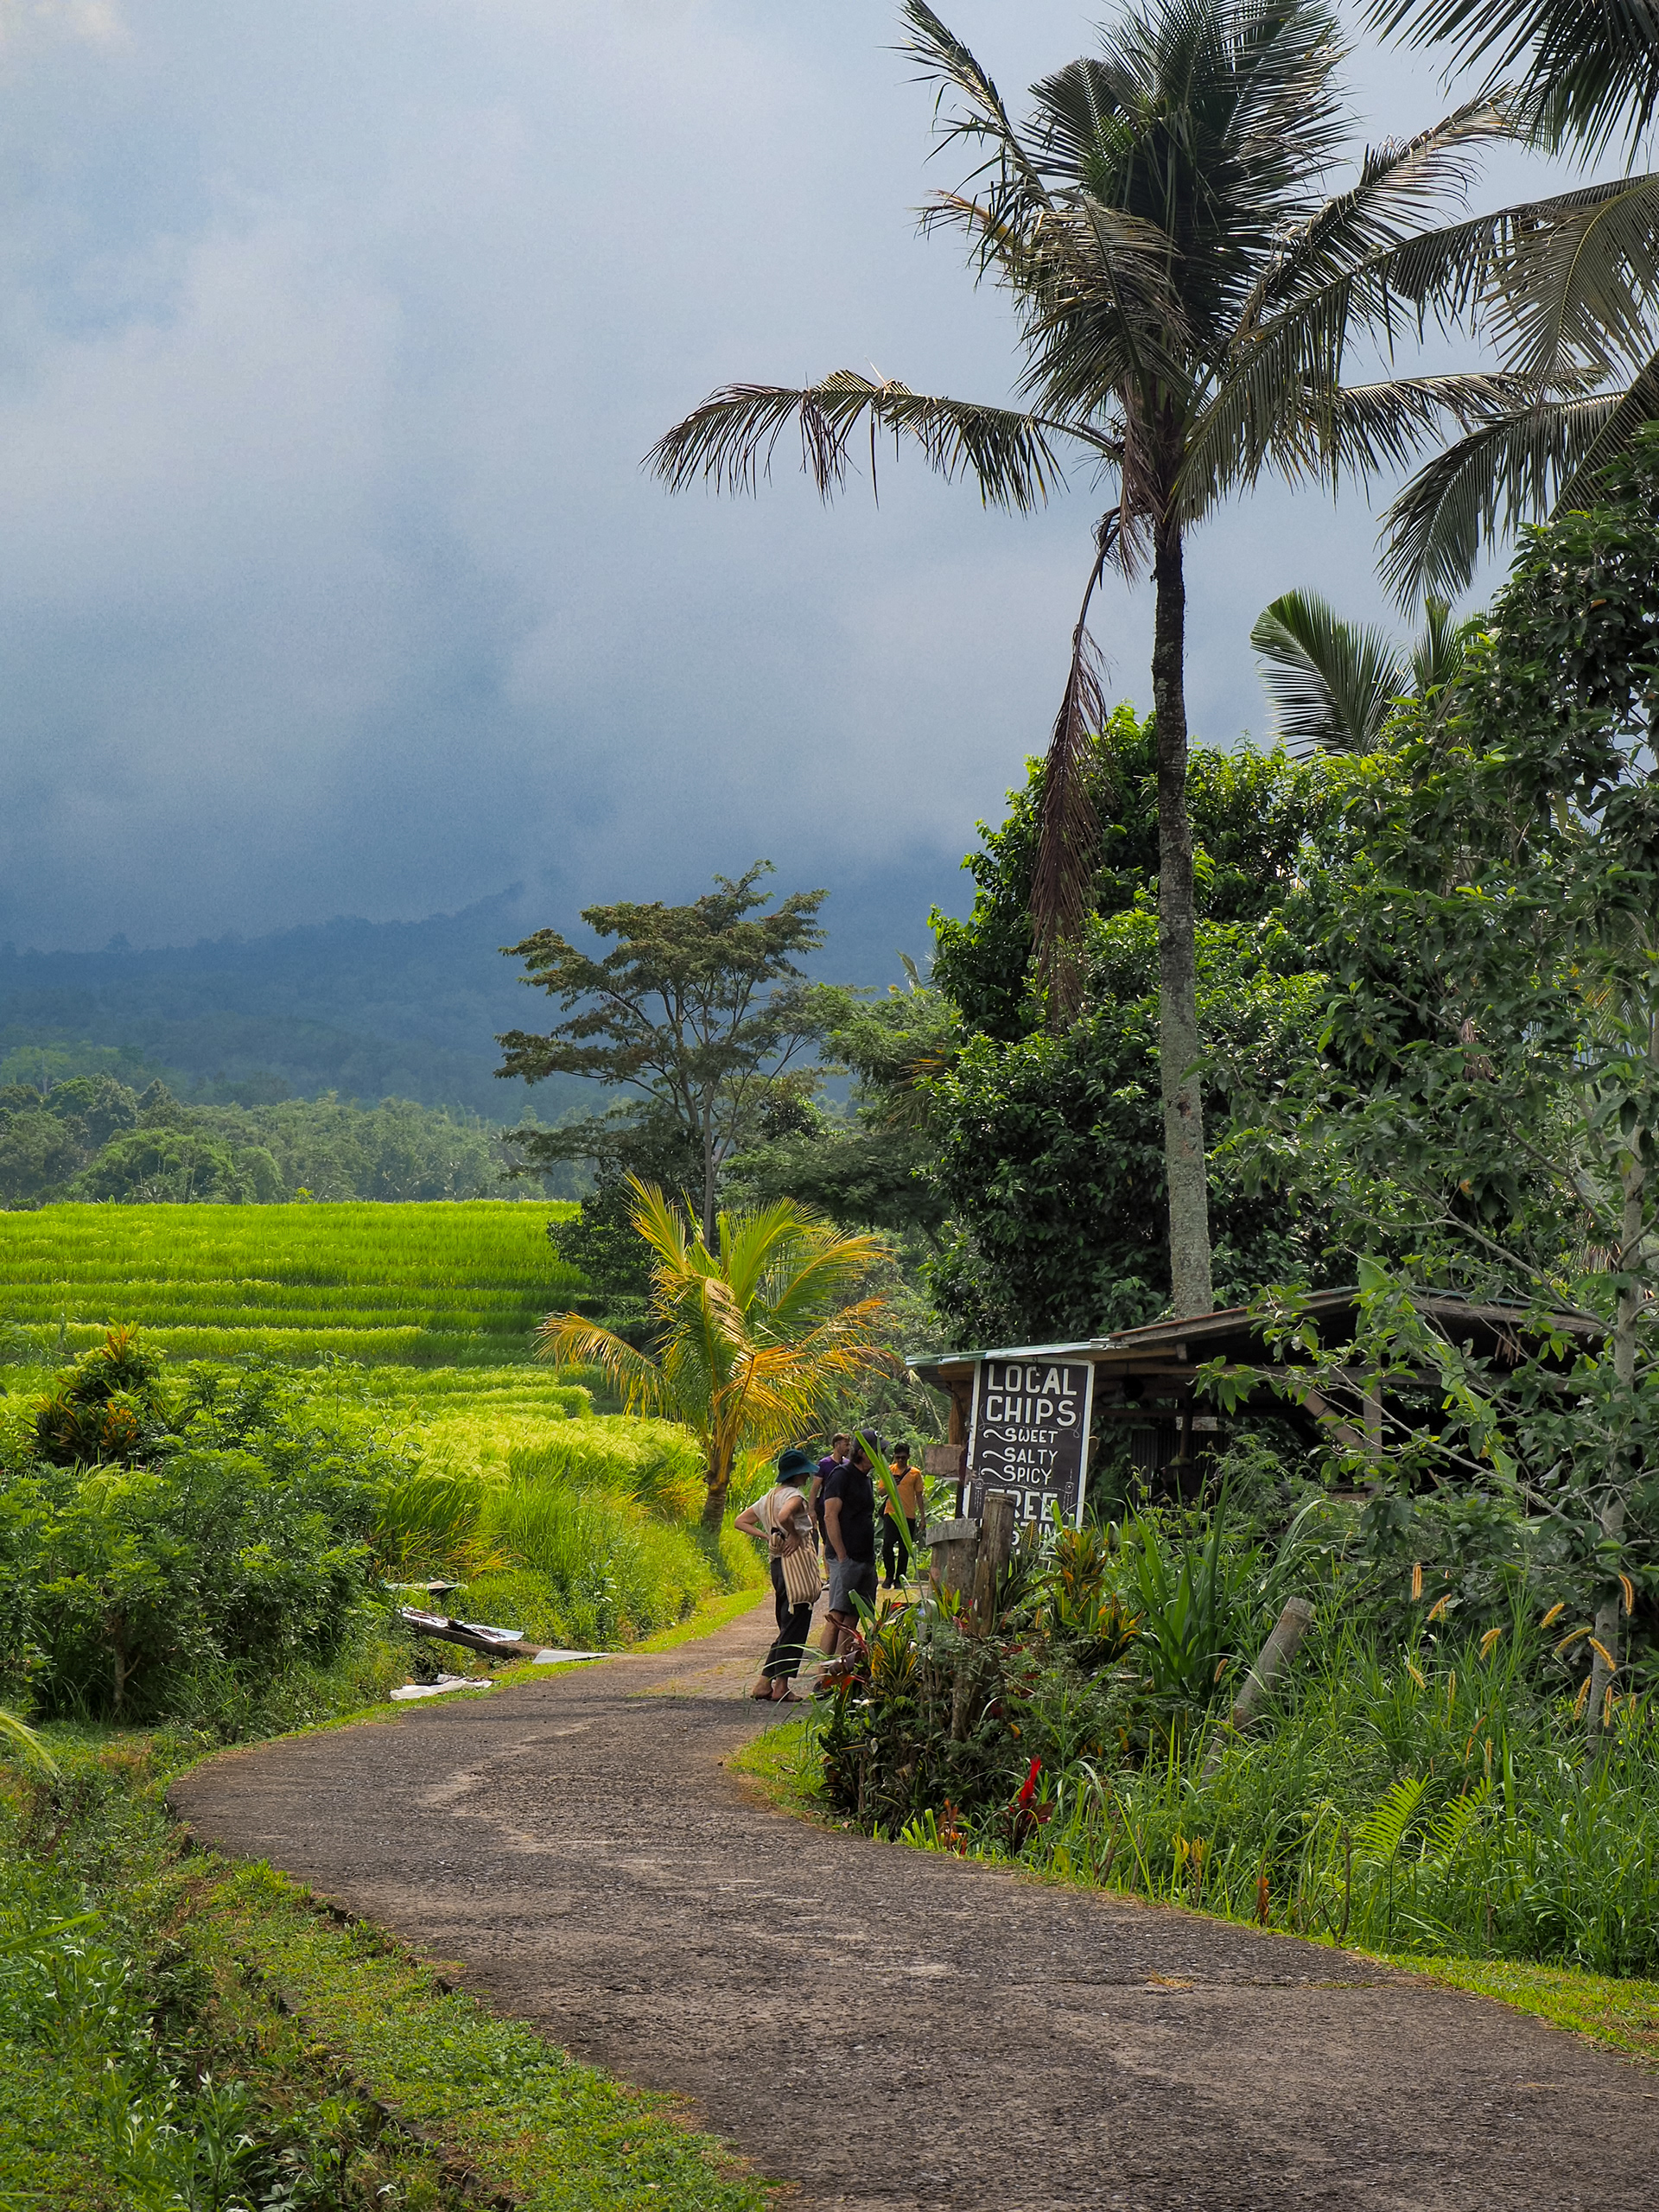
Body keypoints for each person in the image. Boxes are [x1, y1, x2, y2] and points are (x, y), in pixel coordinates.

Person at [735, 1446, 818, 1701]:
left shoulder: (768, 1497)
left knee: (787, 1623)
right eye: (804, 1472)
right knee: (796, 1623)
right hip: (796, 1565)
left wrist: (767, 1536)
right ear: (797, 1474)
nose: (807, 1477)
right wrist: (793, 1534)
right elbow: (784, 1516)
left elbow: (740, 1521)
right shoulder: (795, 1496)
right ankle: (779, 1686)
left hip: (777, 1565)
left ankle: (766, 1683)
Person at [819, 1432, 880, 1660]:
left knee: (853, 1617)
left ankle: (839, 1667)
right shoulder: (841, 1475)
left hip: (865, 1558)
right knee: (837, 1615)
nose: (881, 1456)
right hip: (846, 1558)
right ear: (863, 1453)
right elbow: (829, 1516)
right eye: (877, 1451)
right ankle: (822, 1671)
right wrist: (841, 1555)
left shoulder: (867, 1480)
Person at [880, 1440, 926, 1589]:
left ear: (908, 1457)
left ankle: (900, 1578)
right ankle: (889, 1575)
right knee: (887, 1545)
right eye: (898, 1457)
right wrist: (891, 1483)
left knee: (904, 1548)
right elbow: (880, 1492)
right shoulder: (888, 1471)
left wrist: (923, 1517)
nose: (900, 1460)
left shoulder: (915, 1473)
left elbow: (919, 1496)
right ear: (894, 1457)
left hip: (908, 1515)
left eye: (903, 1458)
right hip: (891, 1513)